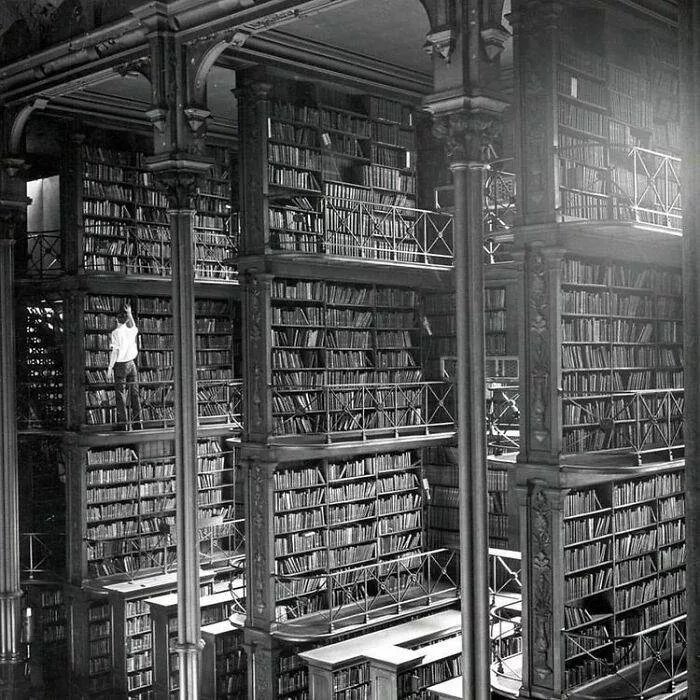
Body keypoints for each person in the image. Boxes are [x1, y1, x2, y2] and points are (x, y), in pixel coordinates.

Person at [106, 302, 143, 430]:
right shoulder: (131, 331)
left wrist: (110, 368)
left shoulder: (115, 333)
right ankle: (138, 423)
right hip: (132, 364)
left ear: (116, 319)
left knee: (120, 395)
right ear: (126, 319)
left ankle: (124, 425)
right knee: (134, 393)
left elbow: (115, 352)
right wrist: (129, 313)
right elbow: (133, 324)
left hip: (121, 365)